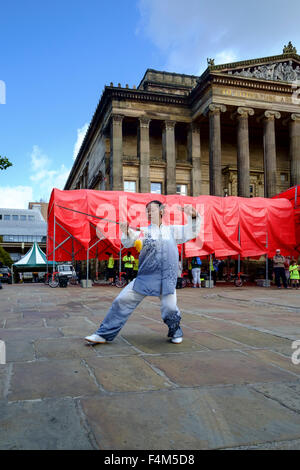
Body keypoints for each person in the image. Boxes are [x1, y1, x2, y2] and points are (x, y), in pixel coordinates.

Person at [85, 200, 201, 345]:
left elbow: (191, 231)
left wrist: (194, 216)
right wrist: (126, 230)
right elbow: (129, 241)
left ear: (160, 211)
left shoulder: (172, 231)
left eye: (151, 210)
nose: (148, 213)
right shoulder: (144, 231)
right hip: (146, 277)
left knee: (170, 308)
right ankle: (103, 334)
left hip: (167, 278)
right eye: (147, 211)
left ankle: (176, 331)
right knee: (122, 300)